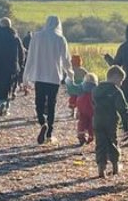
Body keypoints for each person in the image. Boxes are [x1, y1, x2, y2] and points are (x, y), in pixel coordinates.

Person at [23, 15, 73, 144]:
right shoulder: (60, 39)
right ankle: (49, 133)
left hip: (39, 75)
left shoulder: (36, 37)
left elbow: (30, 57)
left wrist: (25, 77)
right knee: (51, 104)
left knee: (39, 101)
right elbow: (66, 59)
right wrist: (70, 74)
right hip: (54, 76)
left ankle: (42, 122)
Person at [92, 65, 128, 177]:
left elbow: (93, 103)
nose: (121, 84)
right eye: (121, 81)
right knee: (112, 142)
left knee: (100, 143)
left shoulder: (96, 89)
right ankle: (115, 166)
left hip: (97, 120)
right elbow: (122, 109)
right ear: (115, 77)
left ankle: (101, 167)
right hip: (111, 120)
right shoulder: (116, 91)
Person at [65, 71, 97, 145]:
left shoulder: (81, 86)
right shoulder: (96, 89)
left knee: (82, 122)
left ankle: (81, 135)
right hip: (92, 108)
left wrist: (68, 79)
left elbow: (72, 89)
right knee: (91, 123)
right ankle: (91, 135)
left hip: (82, 107)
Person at [67, 53, 86, 119]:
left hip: (73, 88)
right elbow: (87, 76)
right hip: (80, 87)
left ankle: (72, 112)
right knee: (80, 99)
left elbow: (68, 78)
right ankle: (78, 112)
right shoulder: (82, 70)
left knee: (73, 99)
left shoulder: (71, 70)